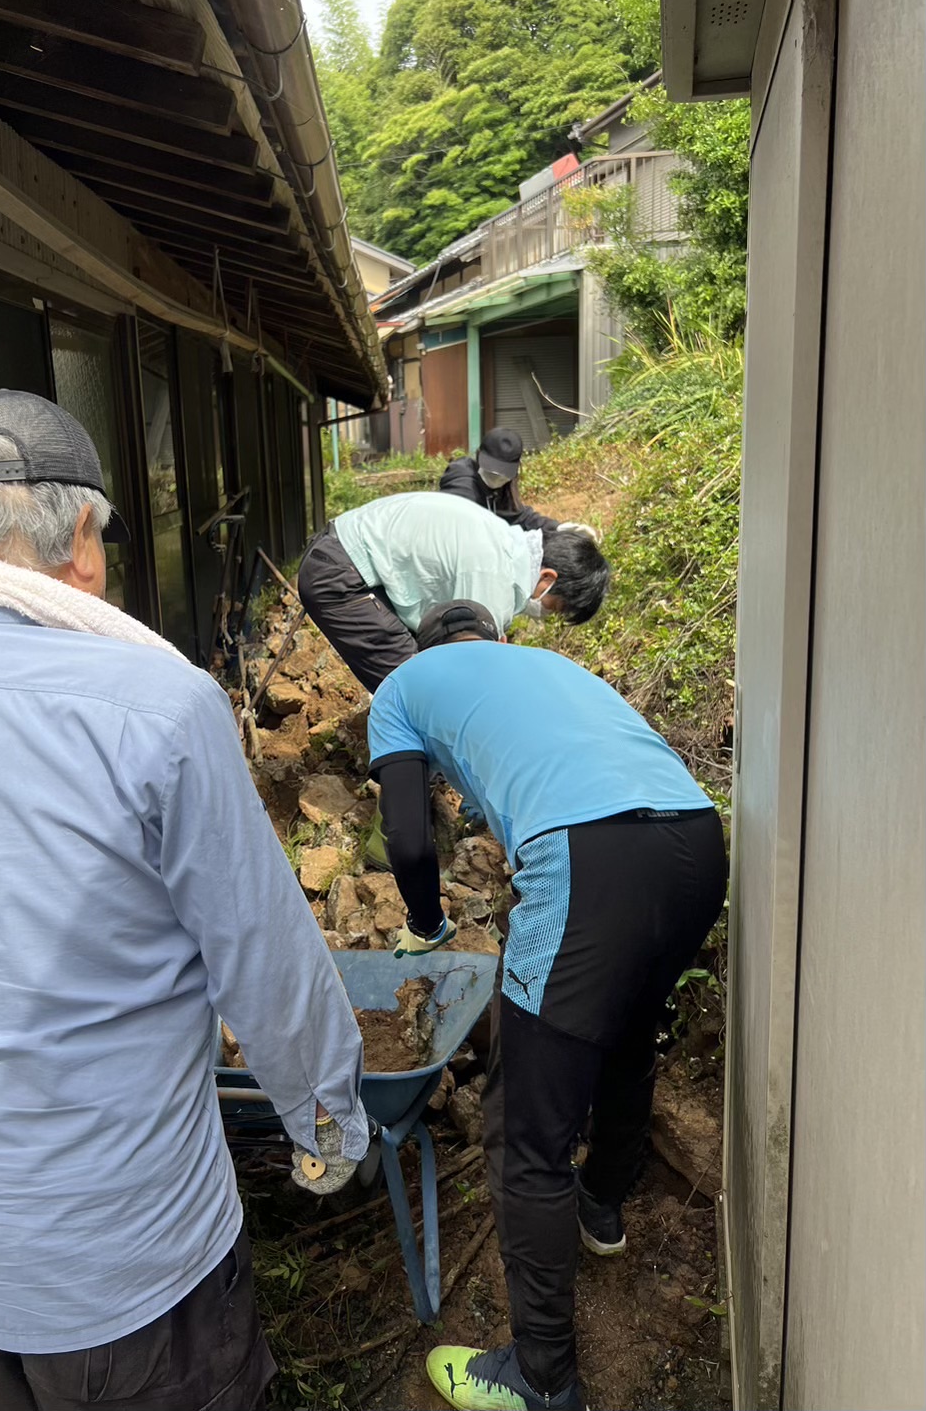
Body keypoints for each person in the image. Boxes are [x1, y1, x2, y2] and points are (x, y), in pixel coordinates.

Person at [0, 390, 369, 1411]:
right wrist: (328, 1129)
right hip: (133, 1265)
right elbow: (266, 963)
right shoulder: (151, 704)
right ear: (78, 534)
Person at [368, 601, 727, 1411]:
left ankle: (540, 1379)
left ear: (426, 652)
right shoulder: (548, 667)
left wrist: (428, 924)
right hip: (697, 843)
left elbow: (408, 839)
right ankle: (600, 1208)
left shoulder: (400, 687)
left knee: (522, 1130)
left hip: (588, 860)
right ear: (492, 641)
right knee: (628, 1034)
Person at [297, 490, 609, 695]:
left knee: (427, 677)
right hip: (340, 574)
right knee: (419, 692)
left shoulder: (503, 542)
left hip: (341, 555)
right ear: (547, 577)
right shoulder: (494, 576)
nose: (548, 613)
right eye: (557, 606)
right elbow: (471, 675)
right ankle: (414, 788)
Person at [438, 426, 552, 530]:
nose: (497, 478)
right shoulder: (463, 481)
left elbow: (516, 515)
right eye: (492, 472)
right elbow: (462, 517)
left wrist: (554, 527)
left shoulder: (502, 491)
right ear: (478, 455)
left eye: (503, 475)